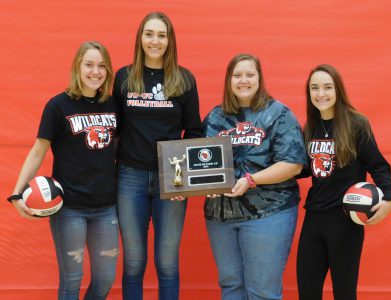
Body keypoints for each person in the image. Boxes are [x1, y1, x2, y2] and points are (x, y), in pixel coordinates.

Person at [7, 41, 119, 299]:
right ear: (77, 67)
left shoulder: (112, 105)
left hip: (106, 207)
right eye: (89, 64)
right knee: (72, 280)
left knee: (105, 279)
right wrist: (16, 194)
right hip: (69, 208)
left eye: (102, 66)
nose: (96, 71)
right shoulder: (58, 106)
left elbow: (117, 147)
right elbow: (38, 151)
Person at [202, 53, 308, 300]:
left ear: (260, 78)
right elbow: (198, 160)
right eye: (237, 75)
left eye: (250, 74)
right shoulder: (215, 117)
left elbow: (292, 164)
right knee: (231, 288)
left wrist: (251, 180)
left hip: (268, 213)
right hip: (220, 217)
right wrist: (200, 183)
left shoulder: (279, 114)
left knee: (262, 292)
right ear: (229, 80)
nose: (243, 80)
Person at [112, 12, 203, 300]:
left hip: (172, 181)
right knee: (134, 263)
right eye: (149, 34)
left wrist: (184, 179)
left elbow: (195, 131)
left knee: (166, 264)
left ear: (169, 40)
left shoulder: (184, 79)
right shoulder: (124, 77)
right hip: (130, 177)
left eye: (161, 35)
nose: (155, 40)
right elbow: (113, 127)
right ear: (140, 38)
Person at [296, 64, 391, 300]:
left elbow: (378, 165)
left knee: (344, 293)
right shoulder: (309, 127)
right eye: (314, 88)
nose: (321, 94)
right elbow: (301, 169)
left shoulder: (356, 124)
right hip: (314, 217)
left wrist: (390, 198)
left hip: (345, 222)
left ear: (338, 90)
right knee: (308, 293)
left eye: (327, 87)